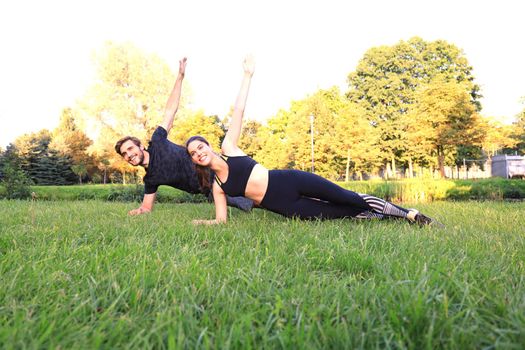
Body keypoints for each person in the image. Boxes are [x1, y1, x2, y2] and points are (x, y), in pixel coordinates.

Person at [186, 55, 442, 226]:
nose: (199, 153)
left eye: (200, 146)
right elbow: (221, 221)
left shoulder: (229, 148)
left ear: (207, 145)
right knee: (341, 214)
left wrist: (247, 76)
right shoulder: (218, 185)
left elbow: (239, 112)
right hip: (286, 206)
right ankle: (391, 218)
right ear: (195, 161)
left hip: (289, 181)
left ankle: (410, 214)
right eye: (193, 153)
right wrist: (201, 222)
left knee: (346, 196)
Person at [114, 57, 253, 216]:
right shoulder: (151, 179)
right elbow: (146, 208)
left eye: (130, 148)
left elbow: (169, 112)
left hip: (218, 168)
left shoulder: (157, 141)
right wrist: (136, 212)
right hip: (213, 189)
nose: (129, 154)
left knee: (258, 186)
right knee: (254, 202)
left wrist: (180, 77)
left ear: (140, 146)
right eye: (124, 154)